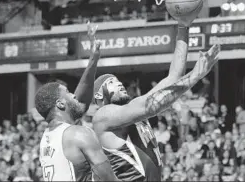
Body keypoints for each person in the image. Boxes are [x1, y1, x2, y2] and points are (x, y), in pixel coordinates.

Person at [92, 10, 220, 181]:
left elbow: (174, 77)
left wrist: (183, 26)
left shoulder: (133, 109)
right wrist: (195, 75)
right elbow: (152, 106)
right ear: (99, 95)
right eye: (113, 83)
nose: (120, 84)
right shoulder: (103, 116)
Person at [36, 23, 120, 181]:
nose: (74, 95)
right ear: (60, 104)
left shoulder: (48, 138)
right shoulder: (79, 134)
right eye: (68, 93)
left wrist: (93, 59)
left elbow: (80, 103)